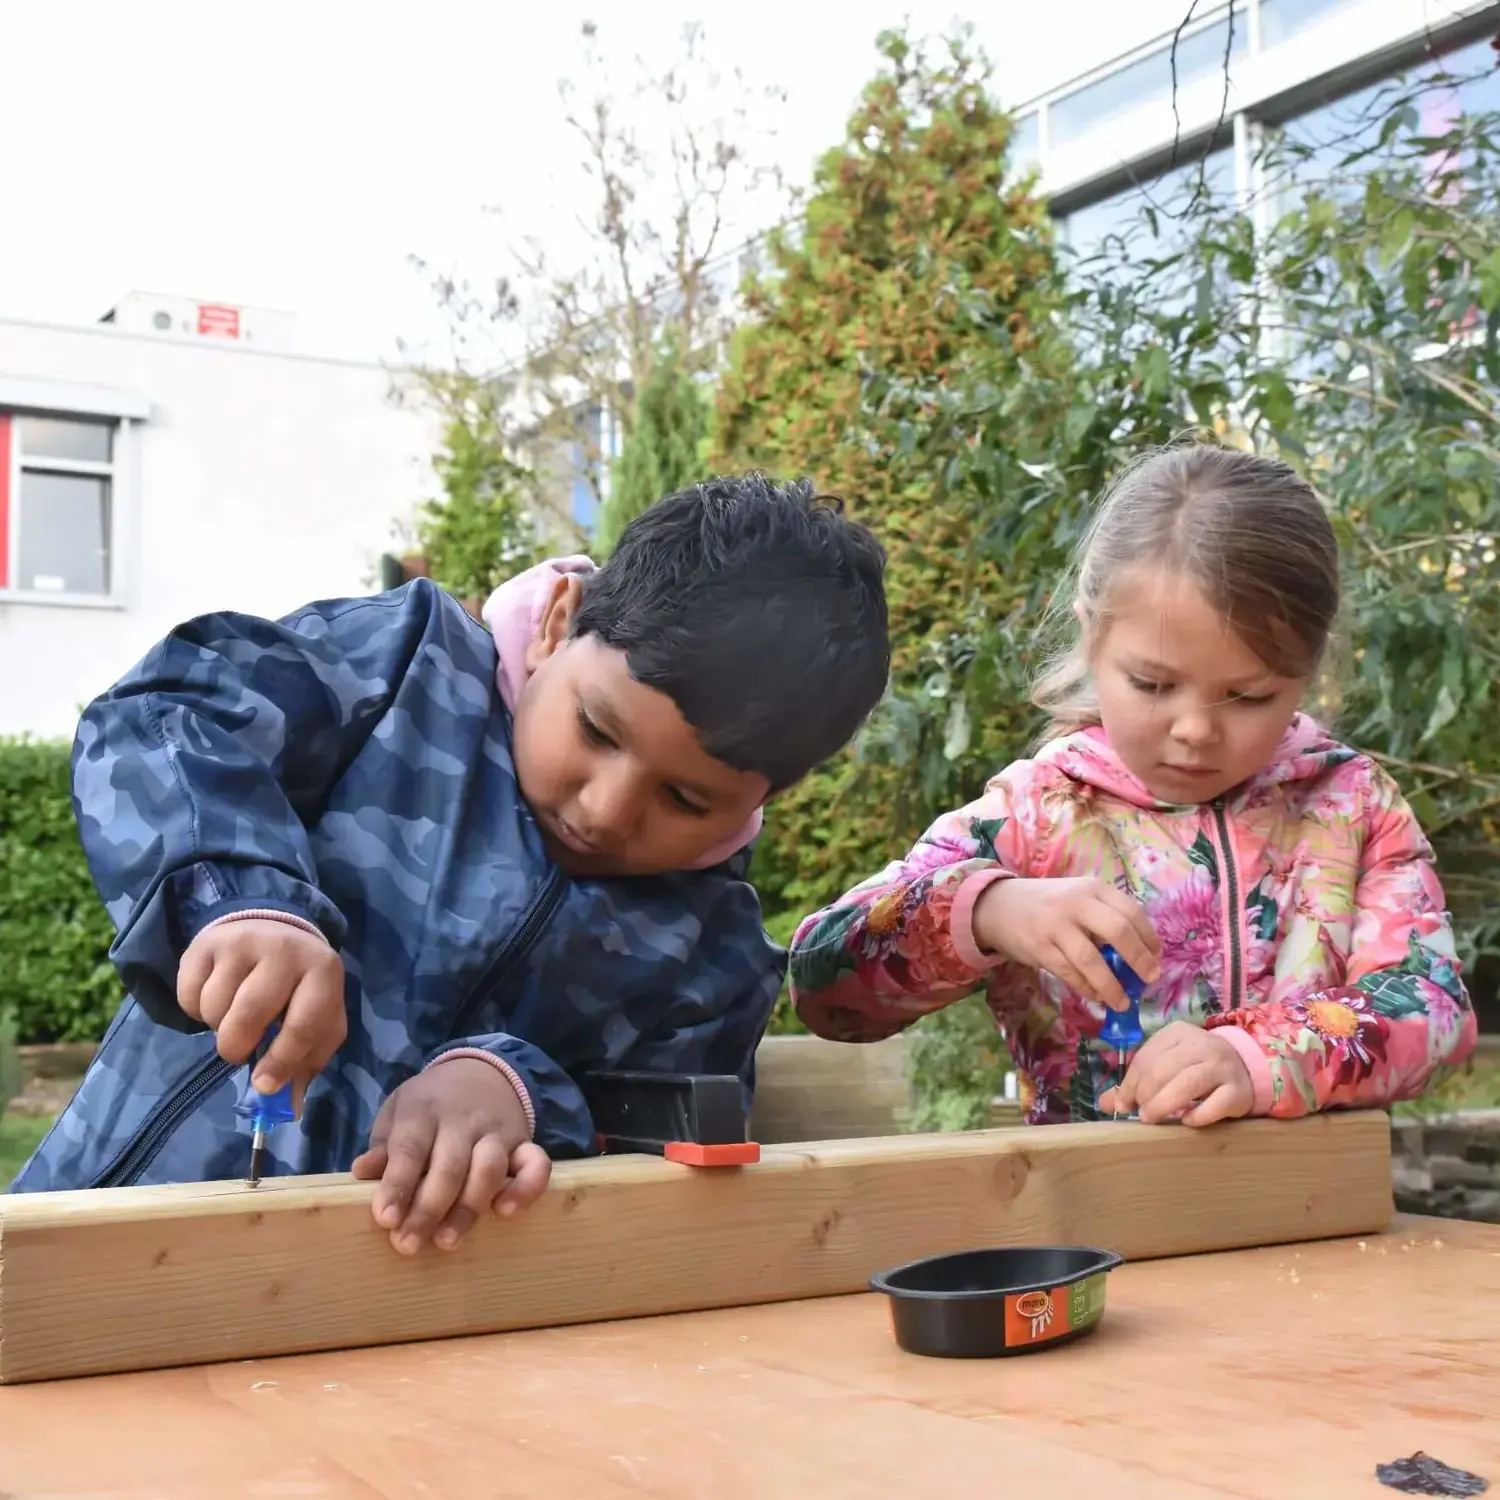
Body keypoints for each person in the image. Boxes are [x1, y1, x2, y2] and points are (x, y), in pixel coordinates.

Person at [11, 473, 890, 1255]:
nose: (605, 809)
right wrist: (236, 894)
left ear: (769, 795)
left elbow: (662, 1177)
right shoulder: (401, 667)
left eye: (686, 800)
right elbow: (164, 716)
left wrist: (519, 1091)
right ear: (558, 624)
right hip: (86, 1236)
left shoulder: (713, 958)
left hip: (384, 1343)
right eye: (596, 730)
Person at [787, 443, 1477, 1127]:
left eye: (1249, 696)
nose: (1195, 730)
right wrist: (984, 911)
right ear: (1092, 638)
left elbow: (1434, 1010)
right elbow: (823, 986)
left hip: (1314, 1196)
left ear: (1310, 666)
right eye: (1152, 684)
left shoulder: (1353, 805)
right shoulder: (1035, 812)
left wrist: (1257, 1057)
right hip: (1088, 1199)